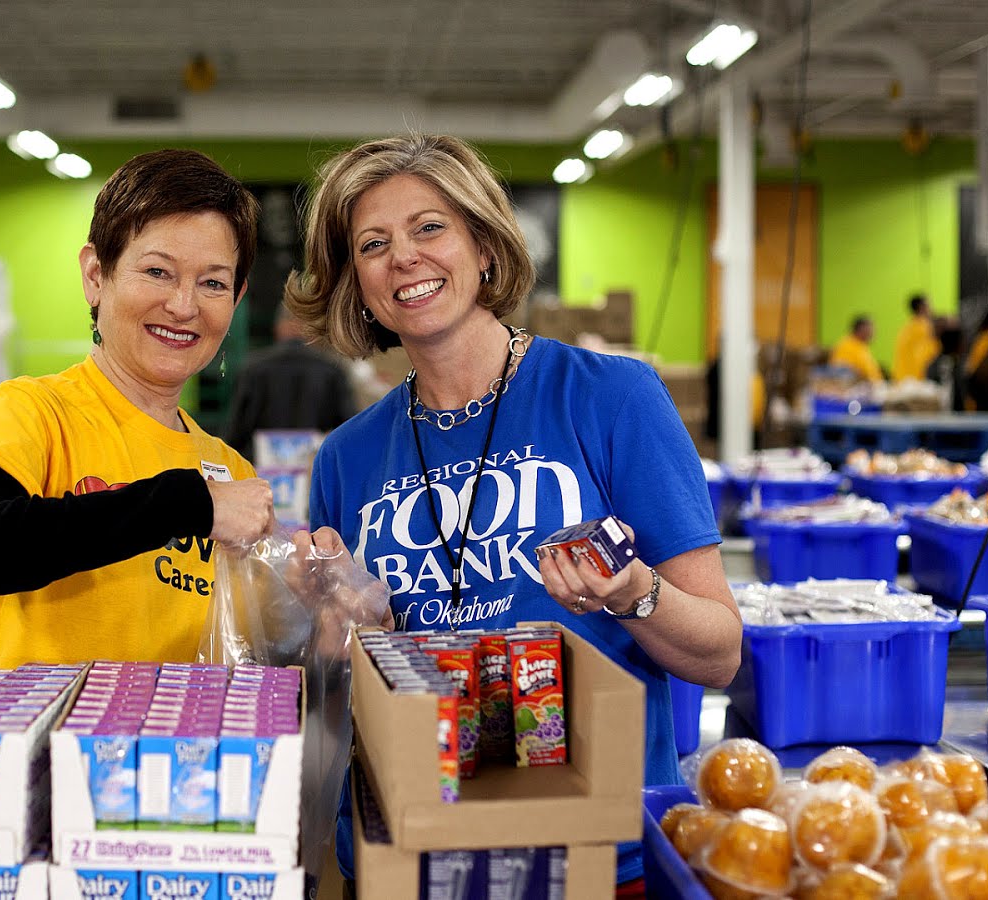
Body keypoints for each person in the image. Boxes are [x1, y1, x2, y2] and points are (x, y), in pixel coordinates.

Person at [284, 133, 742, 893]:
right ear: (356, 284)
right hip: (418, 855)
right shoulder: (346, 457)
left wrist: (631, 592)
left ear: (486, 249)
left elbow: (720, 653)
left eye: (430, 227)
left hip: (593, 853)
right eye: (373, 244)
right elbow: (347, 690)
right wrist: (339, 631)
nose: (404, 257)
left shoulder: (611, 398)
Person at [0, 149, 279, 669]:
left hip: (169, 727)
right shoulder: (29, 413)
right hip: (31, 722)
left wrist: (317, 605)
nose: (184, 305)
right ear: (95, 275)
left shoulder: (229, 471)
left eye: (213, 283)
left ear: (236, 299)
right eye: (157, 271)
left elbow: (247, 646)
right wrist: (189, 507)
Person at [224, 305, 357, 465]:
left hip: (261, 468)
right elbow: (348, 427)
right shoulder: (331, 370)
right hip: (313, 466)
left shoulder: (254, 369)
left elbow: (238, 429)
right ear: (309, 329)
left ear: (279, 326)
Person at [892, 294, 940, 382]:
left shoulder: (907, 327)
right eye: (929, 305)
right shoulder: (925, 328)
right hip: (915, 379)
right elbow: (932, 352)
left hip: (902, 378)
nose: (932, 308)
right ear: (922, 307)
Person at [827, 314, 884, 384]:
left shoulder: (862, 346)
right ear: (860, 330)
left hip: (875, 386)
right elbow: (840, 371)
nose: (873, 333)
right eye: (869, 329)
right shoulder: (846, 345)